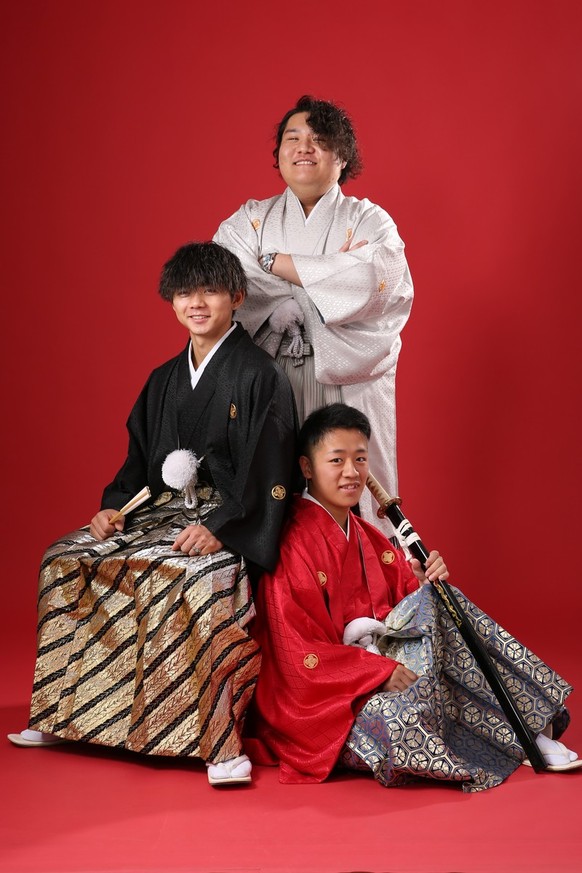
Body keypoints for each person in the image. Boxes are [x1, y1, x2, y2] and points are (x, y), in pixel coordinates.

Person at [7, 241, 298, 787]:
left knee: (191, 579)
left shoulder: (260, 375)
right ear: (171, 301)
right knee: (64, 559)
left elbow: (272, 470)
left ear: (237, 297)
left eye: (209, 291)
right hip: (158, 512)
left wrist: (224, 531)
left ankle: (217, 742)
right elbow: (137, 462)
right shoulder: (163, 378)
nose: (196, 303)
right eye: (184, 293)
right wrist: (112, 508)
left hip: (228, 518)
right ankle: (65, 715)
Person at [246, 403, 580, 790]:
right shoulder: (291, 545)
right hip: (328, 700)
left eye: (360, 459)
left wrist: (424, 586)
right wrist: (375, 673)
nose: (351, 472)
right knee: (400, 721)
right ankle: (514, 737)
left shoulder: (369, 536)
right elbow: (296, 652)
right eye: (336, 460)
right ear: (307, 467)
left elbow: (406, 615)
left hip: (385, 664)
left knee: (443, 601)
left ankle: (527, 729)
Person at [214, 95, 413, 537]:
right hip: (270, 373)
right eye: (293, 138)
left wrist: (275, 263)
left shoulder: (370, 221)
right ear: (279, 154)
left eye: (319, 140)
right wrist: (329, 275)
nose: (304, 148)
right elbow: (227, 279)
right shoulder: (250, 219)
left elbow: (378, 282)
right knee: (270, 492)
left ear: (342, 157)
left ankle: (361, 579)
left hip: (343, 377)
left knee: (350, 487)